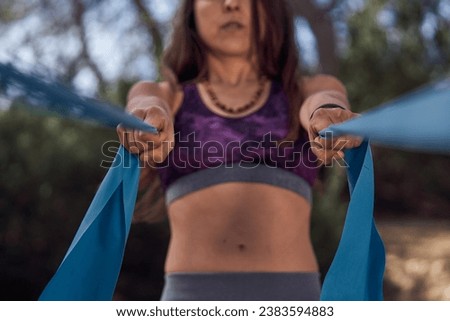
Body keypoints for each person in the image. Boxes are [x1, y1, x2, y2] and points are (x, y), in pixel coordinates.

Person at [117, 0, 361, 301]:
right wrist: (147, 120)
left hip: (292, 297)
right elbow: (144, 106)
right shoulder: (165, 95)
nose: (232, 4)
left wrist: (328, 114)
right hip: (190, 299)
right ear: (191, 11)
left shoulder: (305, 91)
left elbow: (325, 100)